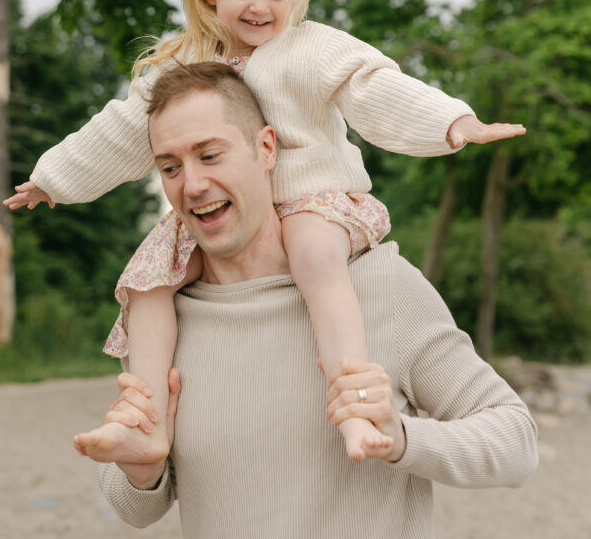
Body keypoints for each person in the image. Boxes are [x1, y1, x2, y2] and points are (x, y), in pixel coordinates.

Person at [5, 0, 525, 461]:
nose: (261, 7)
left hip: (314, 201)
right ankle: (147, 420)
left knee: (314, 259)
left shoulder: (310, 48)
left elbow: (375, 87)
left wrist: (453, 122)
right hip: (223, 219)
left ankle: (356, 404)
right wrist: (52, 177)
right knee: (146, 283)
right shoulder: (186, 64)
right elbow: (122, 129)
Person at [84, 62, 538, 539]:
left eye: (210, 155)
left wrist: (401, 436)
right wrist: (142, 472)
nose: (191, 185)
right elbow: (135, 507)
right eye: (171, 167)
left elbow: (515, 442)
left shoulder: (381, 285)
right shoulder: (163, 322)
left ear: (266, 148)